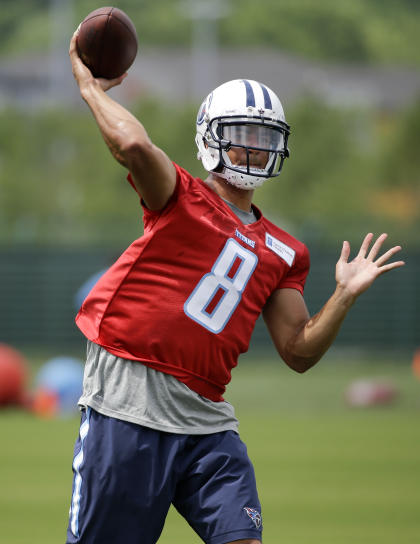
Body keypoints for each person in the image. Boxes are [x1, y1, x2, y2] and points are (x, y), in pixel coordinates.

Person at [67, 29, 404, 544]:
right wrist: (92, 89)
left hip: (206, 415)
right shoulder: (180, 198)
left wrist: (344, 295)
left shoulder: (286, 251)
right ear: (209, 138)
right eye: (241, 134)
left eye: (264, 137)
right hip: (130, 397)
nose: (252, 149)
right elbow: (133, 143)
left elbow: (298, 351)